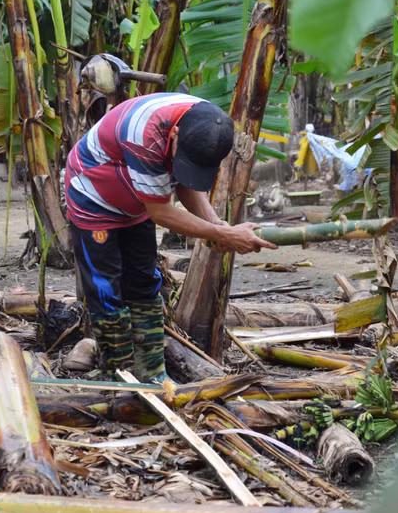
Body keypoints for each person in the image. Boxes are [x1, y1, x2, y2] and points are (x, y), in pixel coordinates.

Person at [64, 92, 277, 383]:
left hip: (139, 201)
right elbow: (162, 213)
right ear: (174, 133)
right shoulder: (144, 133)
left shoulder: (208, 125)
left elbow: (186, 184)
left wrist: (215, 224)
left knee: (144, 282)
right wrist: (222, 233)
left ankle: (152, 373)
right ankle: (119, 377)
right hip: (93, 197)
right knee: (106, 289)